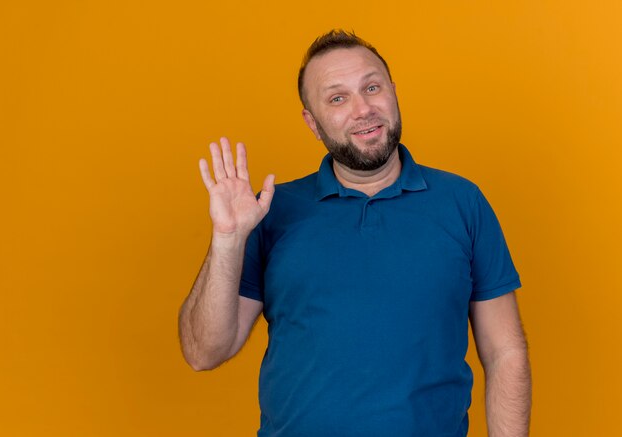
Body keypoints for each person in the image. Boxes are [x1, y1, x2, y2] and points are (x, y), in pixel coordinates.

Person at [179, 30, 531, 436]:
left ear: (393, 93)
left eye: (372, 87)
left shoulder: (462, 202)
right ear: (312, 122)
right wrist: (227, 240)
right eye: (337, 98)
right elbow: (204, 352)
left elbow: (505, 352)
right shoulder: (268, 212)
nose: (363, 108)